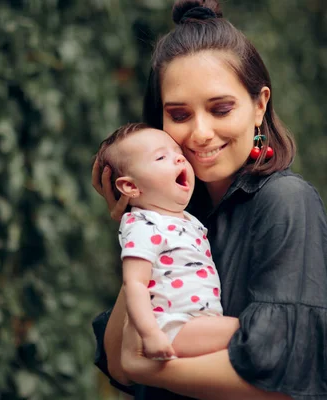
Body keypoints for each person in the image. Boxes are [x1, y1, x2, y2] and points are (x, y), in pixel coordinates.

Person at [90, 0, 327, 399]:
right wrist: (143, 229)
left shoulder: (285, 202)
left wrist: (155, 369)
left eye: (220, 109)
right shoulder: (181, 217)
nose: (199, 134)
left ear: (259, 105)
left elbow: (285, 380)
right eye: (178, 115)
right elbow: (120, 364)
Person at [94, 123, 240, 361]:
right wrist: (150, 334)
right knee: (251, 334)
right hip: (173, 328)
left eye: (179, 154)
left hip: (200, 323)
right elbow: (135, 284)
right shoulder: (143, 224)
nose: (180, 160)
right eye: (161, 157)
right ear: (130, 186)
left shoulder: (186, 220)